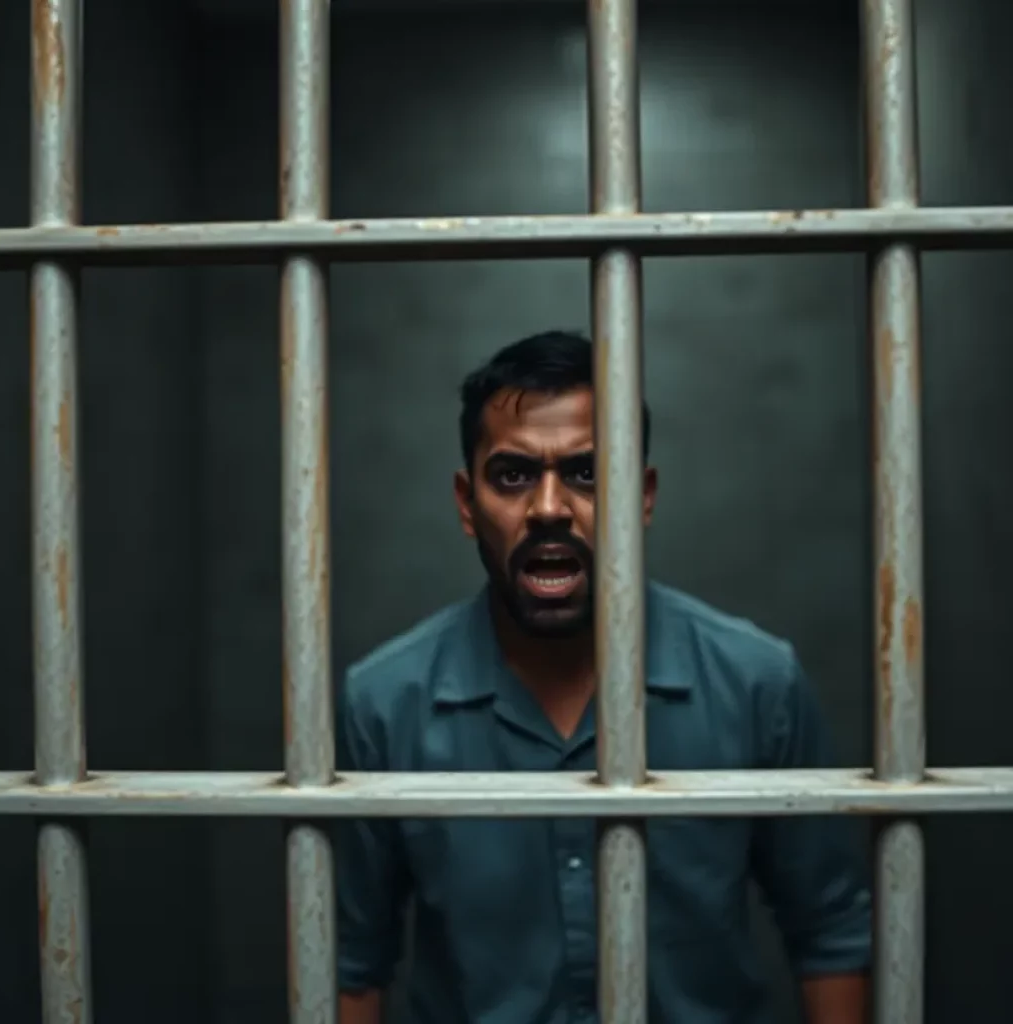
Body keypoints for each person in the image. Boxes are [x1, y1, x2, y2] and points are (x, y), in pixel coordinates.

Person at [336, 330, 872, 1024]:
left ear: (643, 496)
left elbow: (831, 934)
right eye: (513, 475)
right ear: (467, 505)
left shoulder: (756, 684)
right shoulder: (385, 705)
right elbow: (350, 961)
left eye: (589, 473)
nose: (551, 508)